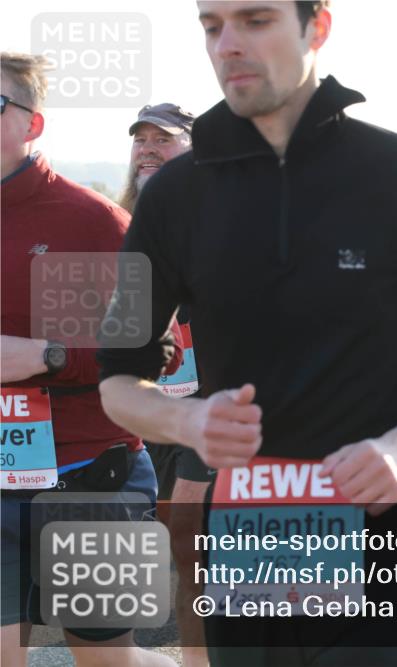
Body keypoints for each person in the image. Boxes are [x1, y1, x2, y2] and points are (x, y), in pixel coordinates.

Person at [94, 3, 397, 665]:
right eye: (211, 25)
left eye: (255, 20)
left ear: (318, 26)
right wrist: (187, 420)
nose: (227, 44)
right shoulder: (175, 196)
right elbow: (117, 377)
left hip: (387, 521)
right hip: (251, 526)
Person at [1, 51, 181, 667]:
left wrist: (46, 357)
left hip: (90, 478)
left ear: (32, 124)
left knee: (108, 662)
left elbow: (160, 350)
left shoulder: (96, 220)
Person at [120, 102, 215, 667]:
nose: (149, 148)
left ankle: (199, 658)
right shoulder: (114, 219)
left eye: (165, 139)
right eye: (141, 139)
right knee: (170, 538)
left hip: (209, 406)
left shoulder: (219, 218)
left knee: (188, 536)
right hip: (145, 407)